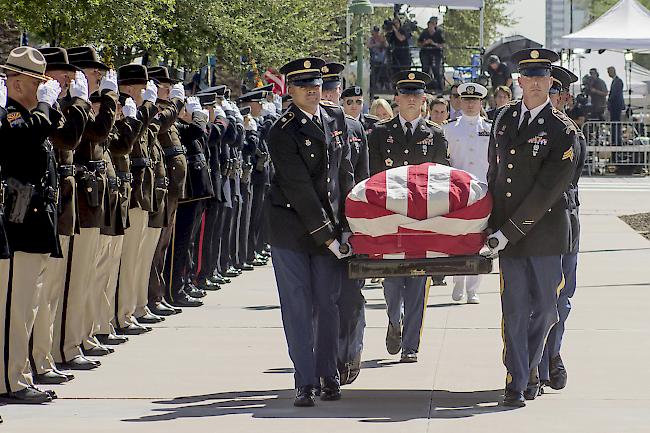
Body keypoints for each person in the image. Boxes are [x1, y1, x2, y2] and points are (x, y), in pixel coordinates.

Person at [483, 48, 579, 408]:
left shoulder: (561, 129)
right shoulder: (504, 119)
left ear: (550, 82)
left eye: (542, 77)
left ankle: (534, 365)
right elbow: (495, 175)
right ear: (518, 81)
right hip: (507, 235)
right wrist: (488, 225)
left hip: (543, 234)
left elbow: (546, 191)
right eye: (529, 76)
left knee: (547, 309)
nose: (535, 83)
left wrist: (507, 230)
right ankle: (517, 378)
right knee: (514, 310)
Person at [267, 57, 354, 407]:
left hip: (329, 226)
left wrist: (348, 226)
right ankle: (305, 380)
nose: (313, 90)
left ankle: (328, 375)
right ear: (290, 90)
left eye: (317, 84)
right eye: (304, 85)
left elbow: (344, 173)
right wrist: (330, 237)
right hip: (292, 228)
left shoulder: (335, 119)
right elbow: (299, 188)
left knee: (328, 303)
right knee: (298, 305)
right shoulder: (282, 130)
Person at [368, 70, 449, 363]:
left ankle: (411, 344)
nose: (412, 99)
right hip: (390, 218)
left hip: (421, 220)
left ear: (424, 99)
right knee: (392, 282)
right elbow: (372, 178)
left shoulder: (435, 134)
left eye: (417, 94)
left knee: (417, 282)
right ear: (397, 98)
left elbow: (443, 180)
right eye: (406, 94)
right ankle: (394, 319)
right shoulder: (380, 133)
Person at [0, 46, 62, 403]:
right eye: (38, 82)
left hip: (36, 219)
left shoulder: (31, 114)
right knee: (16, 306)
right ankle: (11, 380)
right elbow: (25, 139)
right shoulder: (11, 116)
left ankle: (19, 374)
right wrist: (44, 106)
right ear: (19, 82)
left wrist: (44, 108)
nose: (44, 88)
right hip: (20, 218)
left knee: (30, 305)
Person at [30, 47, 91, 385]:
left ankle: (50, 353)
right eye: (63, 75)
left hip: (64, 204)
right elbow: (69, 140)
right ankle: (43, 355)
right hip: (51, 204)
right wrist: (78, 104)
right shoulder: (47, 109)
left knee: (55, 289)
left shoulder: (56, 107)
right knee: (45, 290)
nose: (69, 80)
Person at [539, 65, 586, 393]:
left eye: (556, 92)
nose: (552, 97)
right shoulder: (523, 127)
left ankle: (552, 353)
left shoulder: (572, 133)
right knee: (534, 299)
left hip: (565, 222)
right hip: (533, 225)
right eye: (547, 90)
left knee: (562, 297)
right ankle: (536, 362)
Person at [444, 83, 491, 305]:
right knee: (457, 237)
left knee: (478, 239)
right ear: (460, 101)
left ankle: (473, 287)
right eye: (467, 100)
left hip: (481, 189)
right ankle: (458, 281)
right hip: (457, 191)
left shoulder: (490, 128)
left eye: (475, 100)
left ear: (481, 102)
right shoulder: (449, 128)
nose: (471, 104)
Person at [418, 17, 444, 92]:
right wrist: (425, 43)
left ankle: (439, 88)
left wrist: (433, 43)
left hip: (436, 54)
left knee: (436, 70)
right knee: (425, 70)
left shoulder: (439, 32)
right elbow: (419, 43)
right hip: (425, 53)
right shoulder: (424, 32)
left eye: (434, 23)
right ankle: (423, 88)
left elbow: (442, 45)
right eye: (431, 23)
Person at [368, 25, 390, 92]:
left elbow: (387, 45)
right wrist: (375, 45)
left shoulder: (382, 38)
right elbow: (368, 45)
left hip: (383, 59)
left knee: (384, 72)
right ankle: (375, 86)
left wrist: (383, 40)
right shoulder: (371, 39)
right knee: (375, 72)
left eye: (377, 31)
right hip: (375, 59)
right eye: (375, 31)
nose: (376, 33)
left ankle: (385, 85)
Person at [607, 66, 625, 145]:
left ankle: (617, 140)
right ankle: (615, 139)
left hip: (616, 106)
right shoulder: (616, 81)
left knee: (616, 123)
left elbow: (615, 94)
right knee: (614, 123)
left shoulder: (618, 81)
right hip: (615, 106)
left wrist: (609, 101)